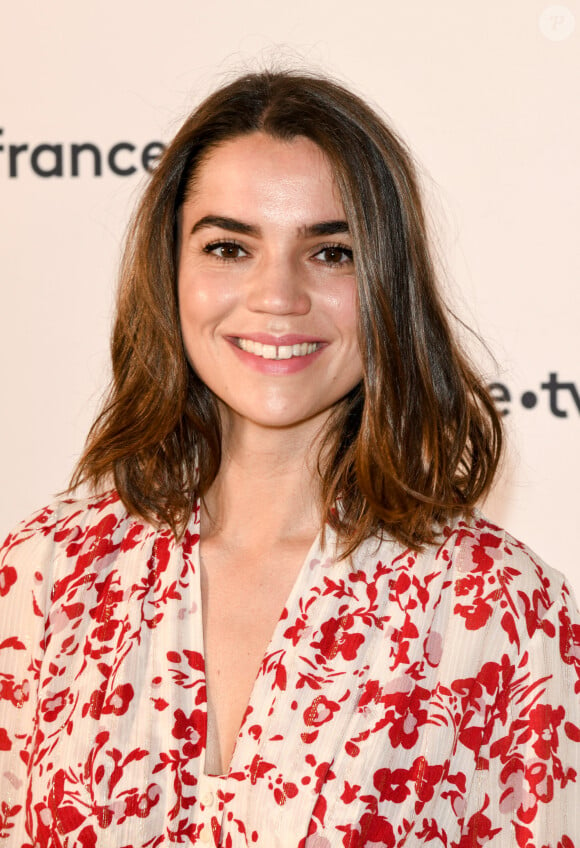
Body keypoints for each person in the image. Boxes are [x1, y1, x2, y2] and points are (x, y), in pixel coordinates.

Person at [0, 70, 578, 848]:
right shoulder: (43, 576)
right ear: (169, 272)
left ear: (389, 286)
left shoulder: (501, 610)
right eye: (230, 246)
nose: (278, 295)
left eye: (332, 252)